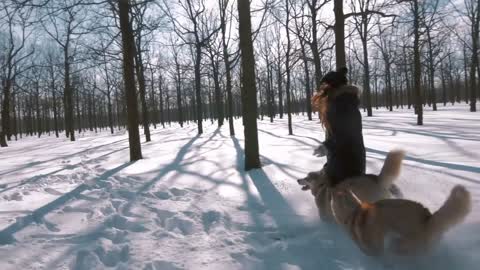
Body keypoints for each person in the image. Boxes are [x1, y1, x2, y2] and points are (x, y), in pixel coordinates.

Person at [311, 67, 366, 187]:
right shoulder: (342, 102)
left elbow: (346, 134)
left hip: (347, 167)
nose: (321, 92)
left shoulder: (342, 104)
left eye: (324, 87)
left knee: (345, 204)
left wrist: (327, 146)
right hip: (345, 164)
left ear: (331, 87)